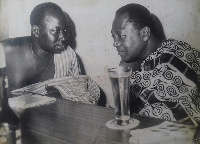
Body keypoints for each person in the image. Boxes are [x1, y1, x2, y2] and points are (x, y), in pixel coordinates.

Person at [111, 3, 200, 141]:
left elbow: (174, 124)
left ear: (145, 33)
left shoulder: (171, 59)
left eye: (121, 36)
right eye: (114, 37)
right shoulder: (142, 61)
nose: (115, 43)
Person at [0, 2, 100, 104]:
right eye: (56, 31)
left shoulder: (67, 55)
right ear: (36, 31)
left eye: (65, 30)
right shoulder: (5, 53)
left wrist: (62, 95)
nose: (64, 37)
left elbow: (81, 95)